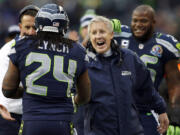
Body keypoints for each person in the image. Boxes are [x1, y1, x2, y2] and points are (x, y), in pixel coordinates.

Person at [2, 3, 91, 135]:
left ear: (38, 24)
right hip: (63, 123)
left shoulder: (21, 46)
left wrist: (30, 90)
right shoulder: (77, 50)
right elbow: (85, 96)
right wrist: (67, 97)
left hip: (32, 122)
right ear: (64, 26)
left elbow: (8, 91)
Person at [84, 15, 168, 135]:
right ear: (90, 37)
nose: (98, 36)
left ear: (111, 34)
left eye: (102, 31)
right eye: (94, 33)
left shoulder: (129, 58)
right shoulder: (84, 64)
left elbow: (147, 88)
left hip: (131, 130)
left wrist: (161, 110)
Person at [114, 5, 180, 135]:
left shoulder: (165, 44)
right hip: (116, 109)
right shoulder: (119, 36)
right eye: (135, 20)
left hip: (148, 110)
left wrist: (175, 118)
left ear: (153, 22)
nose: (138, 25)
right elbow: (88, 44)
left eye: (143, 21)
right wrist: (103, 24)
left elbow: (175, 84)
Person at [0, 5, 39, 135]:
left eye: (35, 27)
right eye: (27, 27)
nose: (31, 32)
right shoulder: (7, 50)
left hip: (38, 116)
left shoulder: (49, 50)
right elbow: (7, 89)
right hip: (11, 116)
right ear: (20, 27)